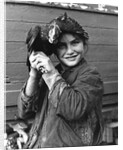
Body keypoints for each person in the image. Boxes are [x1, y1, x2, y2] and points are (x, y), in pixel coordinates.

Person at [17, 13, 104, 148]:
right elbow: (24, 112)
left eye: (75, 43)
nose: (70, 51)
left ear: (84, 45)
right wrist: (34, 75)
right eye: (62, 46)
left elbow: (73, 109)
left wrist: (49, 72)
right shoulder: (51, 73)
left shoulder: (91, 75)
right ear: (55, 51)